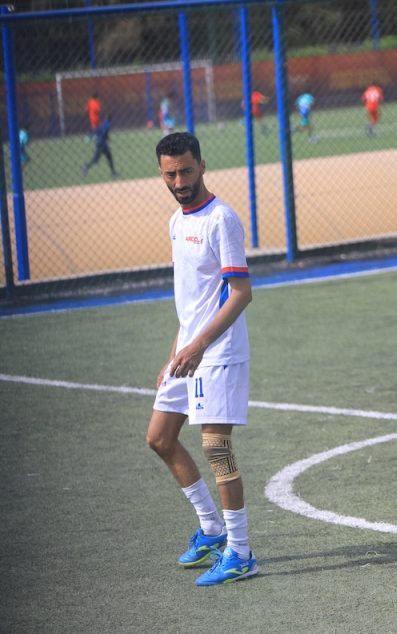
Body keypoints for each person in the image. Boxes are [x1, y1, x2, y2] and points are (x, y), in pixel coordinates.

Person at [146, 132, 258, 586]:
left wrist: (198, 347)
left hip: (218, 352)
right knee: (159, 438)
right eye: (171, 174)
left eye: (187, 171)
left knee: (216, 447)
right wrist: (176, 352)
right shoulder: (177, 222)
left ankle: (241, 553)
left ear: (203, 166)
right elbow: (192, 301)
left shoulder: (221, 219)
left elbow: (240, 293)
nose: (180, 181)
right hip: (188, 353)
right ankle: (212, 528)